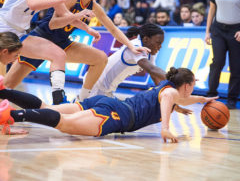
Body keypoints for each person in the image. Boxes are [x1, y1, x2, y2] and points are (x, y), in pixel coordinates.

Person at [3, 0, 149, 103]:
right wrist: (79, 17)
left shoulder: (93, 5)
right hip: (41, 40)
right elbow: (53, 24)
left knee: (100, 58)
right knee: (7, 85)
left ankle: (81, 100)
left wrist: (131, 45)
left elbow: (113, 29)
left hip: (62, 43)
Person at [0, 67, 217, 142]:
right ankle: (10, 115)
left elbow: (180, 98)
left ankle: (4, 92)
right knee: (64, 123)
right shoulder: (169, 93)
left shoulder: (166, 87)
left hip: (105, 102)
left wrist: (202, 100)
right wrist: (166, 129)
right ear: (187, 85)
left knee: (48, 108)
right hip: (117, 116)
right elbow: (170, 99)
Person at [0, 0, 90, 103]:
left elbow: (64, 15)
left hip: (19, 34)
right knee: (3, 80)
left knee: (58, 55)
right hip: (3, 29)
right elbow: (34, 3)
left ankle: (59, 100)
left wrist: (87, 27)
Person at [89, 24, 166, 98]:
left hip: (106, 90)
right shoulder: (136, 46)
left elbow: (154, 74)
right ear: (146, 39)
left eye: (161, 43)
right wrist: (175, 80)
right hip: (95, 85)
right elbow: (152, 69)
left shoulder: (150, 49)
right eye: (158, 43)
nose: (160, 46)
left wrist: (163, 92)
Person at [205, 0, 240, 109]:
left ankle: (232, 98)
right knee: (217, 62)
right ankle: (211, 93)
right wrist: (207, 31)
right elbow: (212, 9)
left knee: (236, 66)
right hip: (218, 30)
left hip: (236, 31)